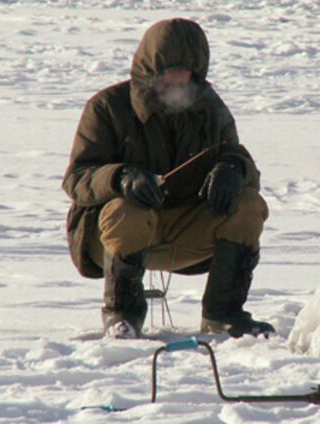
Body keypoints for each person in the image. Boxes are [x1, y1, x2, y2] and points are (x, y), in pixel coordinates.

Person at [62, 18, 273, 339]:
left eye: (185, 71)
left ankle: (224, 314)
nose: (176, 78)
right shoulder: (106, 107)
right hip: (111, 238)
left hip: (184, 233)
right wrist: (121, 177)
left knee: (248, 204)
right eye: (168, 70)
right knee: (125, 209)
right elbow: (76, 179)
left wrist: (233, 169)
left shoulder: (210, 109)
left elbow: (238, 156)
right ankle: (123, 316)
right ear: (149, 68)